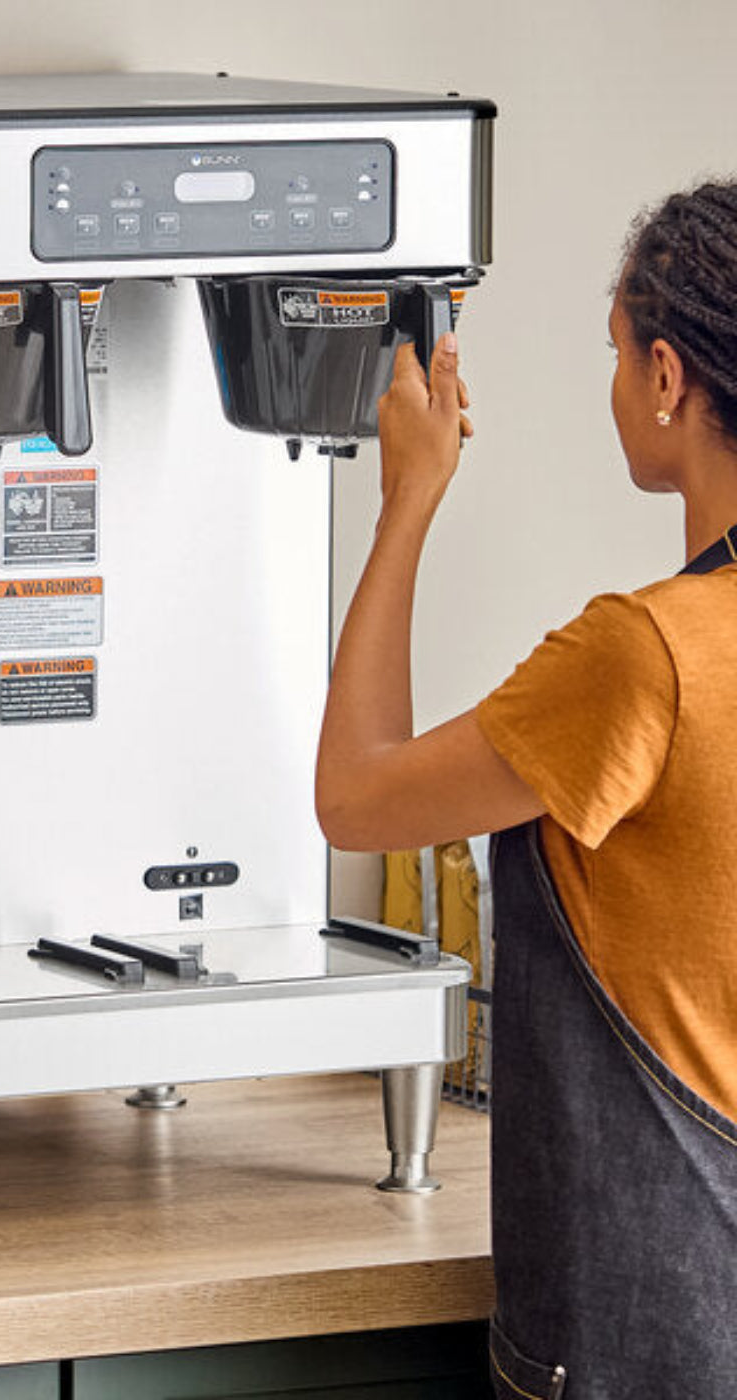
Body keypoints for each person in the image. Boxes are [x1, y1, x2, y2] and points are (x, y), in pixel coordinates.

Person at [316, 182, 737, 1399]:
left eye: (613, 353)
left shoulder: (643, 657)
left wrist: (407, 497)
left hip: (647, 1324)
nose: (613, 384)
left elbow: (354, 796)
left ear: (664, 376)